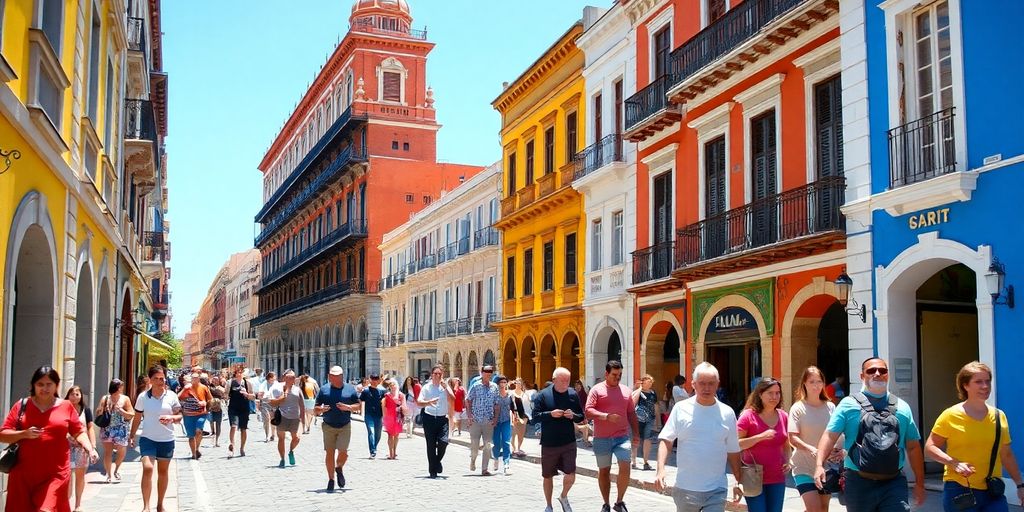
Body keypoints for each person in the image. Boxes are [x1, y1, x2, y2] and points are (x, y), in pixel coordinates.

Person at [814, 358, 926, 511]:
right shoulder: (847, 405)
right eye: (871, 371)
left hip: (893, 483)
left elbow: (913, 447)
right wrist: (819, 465)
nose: (877, 374)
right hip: (858, 483)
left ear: (888, 375)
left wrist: (920, 483)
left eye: (882, 371)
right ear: (862, 376)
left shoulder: (903, 407)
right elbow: (829, 436)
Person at [925, 361, 1024, 512]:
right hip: (960, 489)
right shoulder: (950, 415)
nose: (985, 386)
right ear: (965, 385)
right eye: (978, 382)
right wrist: (953, 463)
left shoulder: (999, 416)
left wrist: (1020, 485)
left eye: (987, 381)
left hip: (993, 490)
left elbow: (1006, 455)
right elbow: (930, 447)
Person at [0, 366, 98, 512]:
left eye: (49, 384)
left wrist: (90, 449)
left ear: (56, 385)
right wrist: (23, 434)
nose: (44, 388)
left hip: (56, 473)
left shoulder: (66, 406)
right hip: (23, 475)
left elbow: (78, 432)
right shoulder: (22, 406)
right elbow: (3, 434)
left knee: (46, 509)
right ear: (33, 385)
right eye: (40, 384)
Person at [655, 362, 744, 512]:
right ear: (693, 384)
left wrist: (738, 480)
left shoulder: (727, 413)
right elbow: (666, 440)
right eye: (702, 383)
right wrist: (660, 469)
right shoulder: (680, 409)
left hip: (717, 489)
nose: (706, 388)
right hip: (686, 488)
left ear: (718, 384)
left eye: (711, 383)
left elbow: (733, 450)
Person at [586, 361, 640, 512]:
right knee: (604, 471)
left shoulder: (626, 391)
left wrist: (636, 434)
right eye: (614, 375)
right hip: (601, 439)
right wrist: (606, 416)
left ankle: (619, 501)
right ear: (606, 374)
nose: (618, 377)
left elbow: (631, 413)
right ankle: (606, 503)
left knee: (625, 466)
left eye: (620, 374)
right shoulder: (597, 390)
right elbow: (588, 411)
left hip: (622, 437)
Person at [788, 367, 843, 512]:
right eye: (812, 381)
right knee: (814, 508)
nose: (816, 385)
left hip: (826, 468)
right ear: (804, 384)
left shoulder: (830, 407)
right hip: (803, 467)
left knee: (823, 508)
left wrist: (839, 450)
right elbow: (792, 438)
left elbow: (838, 433)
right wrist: (810, 448)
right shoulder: (797, 408)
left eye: (819, 381)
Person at [129, 365, 182, 512]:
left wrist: (171, 418)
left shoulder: (171, 396)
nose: (160, 381)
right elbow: (137, 417)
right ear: (150, 380)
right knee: (148, 468)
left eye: (162, 378)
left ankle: (160, 504)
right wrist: (132, 435)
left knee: (163, 472)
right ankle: (146, 506)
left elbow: (179, 416)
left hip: (166, 439)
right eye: (156, 379)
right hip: (148, 438)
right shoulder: (143, 397)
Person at [533, 367, 587, 512]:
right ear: (554, 380)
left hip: (568, 441)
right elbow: (535, 417)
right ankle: (549, 505)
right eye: (562, 380)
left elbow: (581, 416)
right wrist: (550, 414)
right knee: (547, 475)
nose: (565, 383)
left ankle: (563, 496)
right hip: (549, 442)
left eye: (568, 380)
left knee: (571, 474)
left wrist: (573, 415)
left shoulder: (572, 394)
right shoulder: (543, 395)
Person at [737, 377, 791, 512]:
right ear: (760, 394)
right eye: (770, 393)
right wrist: (760, 437)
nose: (774, 397)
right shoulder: (748, 416)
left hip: (777, 477)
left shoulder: (783, 416)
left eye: (777, 393)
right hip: (753, 477)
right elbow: (736, 444)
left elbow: (786, 444)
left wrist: (788, 461)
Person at [313, 366, 360, 491]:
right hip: (328, 425)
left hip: (345, 425)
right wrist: (321, 409)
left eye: (335, 376)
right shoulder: (324, 390)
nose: (332, 378)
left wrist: (348, 407)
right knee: (330, 453)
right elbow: (315, 409)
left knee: (343, 452)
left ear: (341, 376)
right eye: (331, 376)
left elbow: (358, 405)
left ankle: (339, 467)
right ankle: (331, 479)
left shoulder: (350, 389)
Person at [417, 364, 455, 478]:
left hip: (442, 419)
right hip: (429, 418)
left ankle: (437, 462)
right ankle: (432, 471)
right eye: (435, 374)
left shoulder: (445, 388)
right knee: (431, 445)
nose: (437, 376)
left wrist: (446, 387)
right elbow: (419, 402)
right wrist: (428, 402)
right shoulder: (426, 388)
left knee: (444, 442)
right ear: (431, 375)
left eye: (440, 374)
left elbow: (453, 398)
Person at [65, 385, 96, 512]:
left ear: (81, 396)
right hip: (66, 447)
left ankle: (78, 505)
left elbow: (90, 428)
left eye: (77, 394)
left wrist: (92, 446)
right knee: (67, 476)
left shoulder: (86, 410)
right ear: (68, 395)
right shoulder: (63, 408)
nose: (74, 397)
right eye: (72, 394)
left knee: (80, 475)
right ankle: (66, 503)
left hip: (81, 447)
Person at [98, 378, 134, 483]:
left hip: (121, 429)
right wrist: (104, 409)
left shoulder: (125, 399)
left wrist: (121, 411)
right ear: (116, 388)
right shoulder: (105, 398)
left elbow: (131, 414)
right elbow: (98, 412)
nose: (121, 389)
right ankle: (109, 475)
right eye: (120, 387)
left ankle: (116, 469)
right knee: (108, 452)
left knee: (121, 451)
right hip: (107, 428)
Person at [466, 364, 500, 475]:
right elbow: (468, 400)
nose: (488, 373)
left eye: (490, 371)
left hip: (488, 421)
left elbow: (497, 404)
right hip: (476, 420)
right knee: (475, 446)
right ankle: (473, 460)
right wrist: (469, 415)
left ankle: (484, 469)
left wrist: (495, 418)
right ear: (482, 373)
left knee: (488, 445)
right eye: (486, 371)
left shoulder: (494, 387)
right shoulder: (476, 386)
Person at [270, 369, 306, 468]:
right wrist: (284, 393)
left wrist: (303, 420)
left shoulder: (297, 389)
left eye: (293, 377)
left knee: (296, 438)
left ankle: (291, 451)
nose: (292, 379)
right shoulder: (278, 389)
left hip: (295, 417)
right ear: (284, 378)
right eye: (289, 377)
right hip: (282, 416)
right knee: (281, 438)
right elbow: (273, 402)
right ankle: (282, 459)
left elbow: (302, 405)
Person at [177, 372, 212, 460]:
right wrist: (184, 389)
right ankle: (194, 453)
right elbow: (178, 397)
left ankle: (196, 448)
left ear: (199, 378)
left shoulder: (204, 388)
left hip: (201, 413)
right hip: (188, 415)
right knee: (191, 435)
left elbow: (210, 399)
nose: (194, 379)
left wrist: (205, 403)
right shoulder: (187, 388)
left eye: (196, 378)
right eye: (192, 378)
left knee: (199, 431)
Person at [631, 374, 660, 471]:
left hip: (649, 419)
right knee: (636, 439)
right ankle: (633, 461)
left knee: (648, 439)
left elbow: (656, 406)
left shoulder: (653, 393)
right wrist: (639, 388)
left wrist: (657, 421)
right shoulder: (638, 392)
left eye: (651, 382)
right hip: (638, 419)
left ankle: (646, 462)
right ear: (643, 382)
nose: (650, 384)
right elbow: (632, 401)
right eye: (648, 382)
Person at [227, 366, 255, 457]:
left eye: (241, 372)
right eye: (238, 372)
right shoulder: (230, 382)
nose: (240, 374)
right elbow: (225, 394)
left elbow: (253, 396)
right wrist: (223, 395)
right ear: (235, 374)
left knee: (243, 428)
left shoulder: (247, 383)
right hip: (233, 407)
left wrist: (247, 394)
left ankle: (242, 448)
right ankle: (232, 445)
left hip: (244, 408)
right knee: (233, 426)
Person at [490, 375, 514, 475]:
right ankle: (496, 458)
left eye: (505, 382)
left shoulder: (510, 395)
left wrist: (515, 416)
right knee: (496, 442)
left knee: (506, 442)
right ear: (498, 384)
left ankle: (506, 464)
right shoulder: (494, 395)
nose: (503, 384)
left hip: (506, 421)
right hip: (496, 421)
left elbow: (513, 407)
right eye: (501, 382)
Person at [359, 373, 385, 459]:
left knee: (378, 434)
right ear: (370, 380)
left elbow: (385, 403)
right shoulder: (366, 391)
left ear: (378, 380)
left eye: (376, 379)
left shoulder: (382, 391)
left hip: (379, 415)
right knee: (371, 432)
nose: (374, 381)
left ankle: (374, 446)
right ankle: (373, 451)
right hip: (369, 415)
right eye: (373, 379)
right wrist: (361, 412)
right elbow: (361, 401)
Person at [383, 378, 407, 459]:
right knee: (390, 435)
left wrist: (400, 406)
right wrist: (384, 417)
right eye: (391, 385)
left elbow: (404, 406)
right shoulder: (387, 395)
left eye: (394, 385)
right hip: (389, 417)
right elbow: (385, 407)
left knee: (396, 435)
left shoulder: (401, 395)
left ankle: (394, 452)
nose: (392, 386)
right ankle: (391, 453)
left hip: (398, 417)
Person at [511, 379, 530, 457]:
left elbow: (528, 406)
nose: (518, 384)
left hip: (523, 415)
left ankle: (519, 448)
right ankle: (514, 448)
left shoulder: (525, 394)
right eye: (517, 383)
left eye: (520, 383)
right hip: (514, 414)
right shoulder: (511, 393)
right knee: (513, 432)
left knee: (521, 433)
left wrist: (528, 416)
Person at [257, 371, 277, 442]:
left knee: (273, 419)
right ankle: (267, 435)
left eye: (274, 379)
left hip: (274, 403)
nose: (273, 381)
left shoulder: (276, 384)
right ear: (268, 378)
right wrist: (259, 404)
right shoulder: (263, 384)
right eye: (272, 379)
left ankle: (273, 435)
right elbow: (259, 395)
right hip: (265, 403)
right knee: (266, 419)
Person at [574, 380, 593, 447]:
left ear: (581, 386)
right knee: (585, 427)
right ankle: (585, 440)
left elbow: (584, 404)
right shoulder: (575, 394)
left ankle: (586, 440)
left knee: (587, 427)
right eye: (576, 386)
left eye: (578, 385)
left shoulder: (582, 393)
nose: (577, 387)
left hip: (583, 413)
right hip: (577, 415)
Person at [208, 375, 225, 448]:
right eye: (213, 380)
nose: (214, 381)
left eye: (216, 380)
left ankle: (217, 441)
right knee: (211, 422)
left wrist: (220, 391)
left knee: (218, 424)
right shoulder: (209, 387)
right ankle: (212, 436)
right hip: (211, 408)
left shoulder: (221, 388)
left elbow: (224, 395)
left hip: (218, 408)